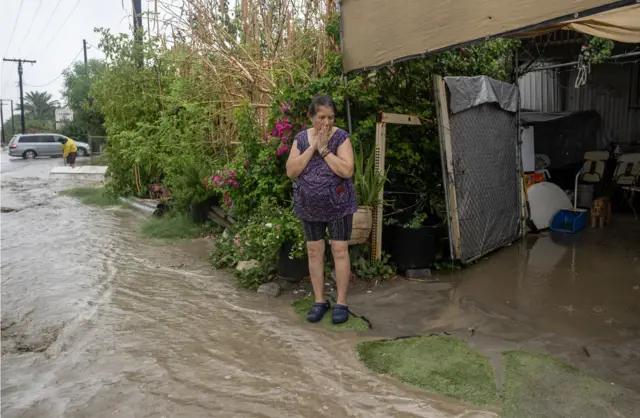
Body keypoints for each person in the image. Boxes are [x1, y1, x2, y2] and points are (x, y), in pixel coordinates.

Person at [286, 95, 357, 324]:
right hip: (309, 206)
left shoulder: (341, 138)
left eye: (331, 117)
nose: (326, 123)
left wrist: (325, 151)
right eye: (321, 117)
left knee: (339, 250)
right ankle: (319, 300)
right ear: (311, 116)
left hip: (338, 205)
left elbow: (347, 171)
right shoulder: (300, 139)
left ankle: (342, 302)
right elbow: (292, 171)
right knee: (314, 251)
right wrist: (314, 147)